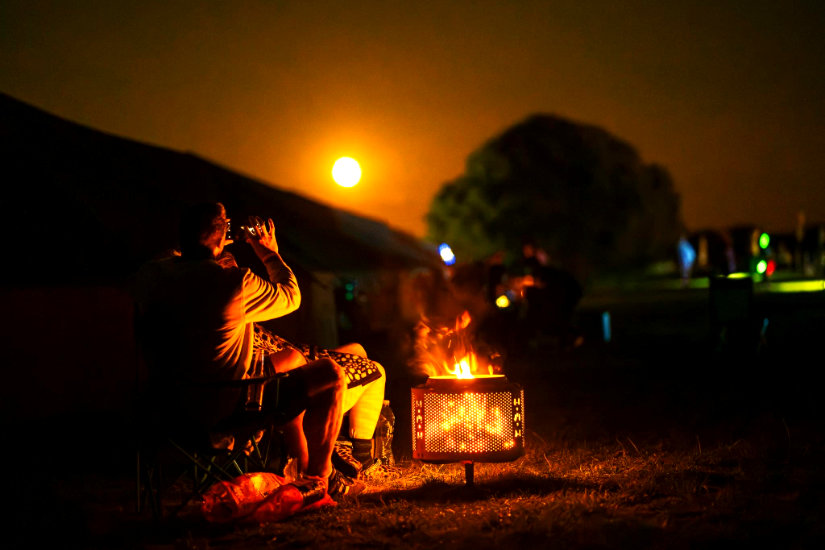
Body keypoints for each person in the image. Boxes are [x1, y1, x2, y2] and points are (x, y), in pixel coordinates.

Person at [134, 201, 357, 504]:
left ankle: (305, 468)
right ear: (221, 233)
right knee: (330, 373)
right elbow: (291, 296)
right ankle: (317, 481)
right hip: (227, 411)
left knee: (287, 359)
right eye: (226, 224)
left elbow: (175, 259)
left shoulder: (150, 276)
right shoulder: (235, 282)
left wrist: (202, 245)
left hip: (167, 409)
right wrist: (268, 252)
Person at [216, 250, 388, 479]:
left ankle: (342, 445)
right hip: (280, 377)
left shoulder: (217, 308)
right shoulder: (229, 301)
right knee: (375, 371)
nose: (241, 273)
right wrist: (270, 254)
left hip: (288, 356)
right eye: (233, 268)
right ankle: (360, 458)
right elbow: (289, 297)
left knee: (357, 349)